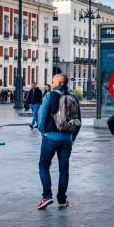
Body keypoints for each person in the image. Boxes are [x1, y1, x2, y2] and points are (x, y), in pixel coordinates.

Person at [37, 73, 80, 210]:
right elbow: (79, 121)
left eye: (53, 81)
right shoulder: (73, 97)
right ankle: (62, 198)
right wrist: (72, 138)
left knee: (44, 166)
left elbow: (41, 117)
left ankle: (47, 196)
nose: (52, 83)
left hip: (50, 137)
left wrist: (43, 132)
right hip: (67, 138)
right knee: (64, 170)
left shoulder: (49, 96)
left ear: (59, 82)